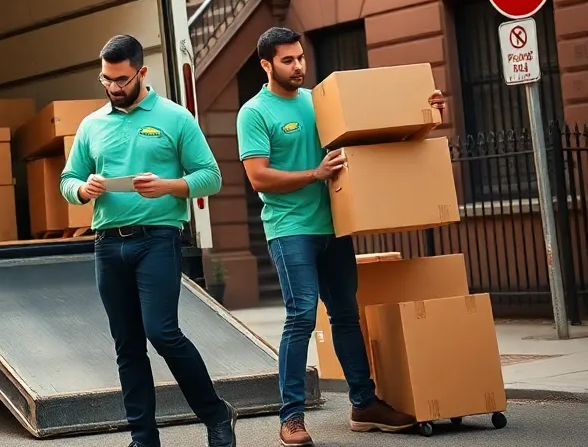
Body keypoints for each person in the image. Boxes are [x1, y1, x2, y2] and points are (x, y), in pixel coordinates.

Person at [236, 27, 446, 446]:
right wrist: (314, 173)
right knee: (300, 317)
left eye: (300, 58)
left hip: (333, 226)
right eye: (288, 60)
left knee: (346, 314)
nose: (298, 66)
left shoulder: (320, 101)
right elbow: (258, 176)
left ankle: (363, 404)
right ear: (266, 65)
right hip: (290, 228)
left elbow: (376, 137)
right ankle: (291, 417)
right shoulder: (254, 112)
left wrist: (428, 113)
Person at [61, 34, 238, 447]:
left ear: (141, 72)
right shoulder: (91, 124)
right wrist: (82, 190)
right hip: (107, 244)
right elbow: (67, 180)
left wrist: (169, 186)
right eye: (106, 80)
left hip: (157, 240)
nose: (114, 88)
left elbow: (211, 177)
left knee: (161, 332)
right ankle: (143, 438)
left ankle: (216, 414)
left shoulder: (176, 118)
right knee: (126, 344)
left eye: (122, 79)